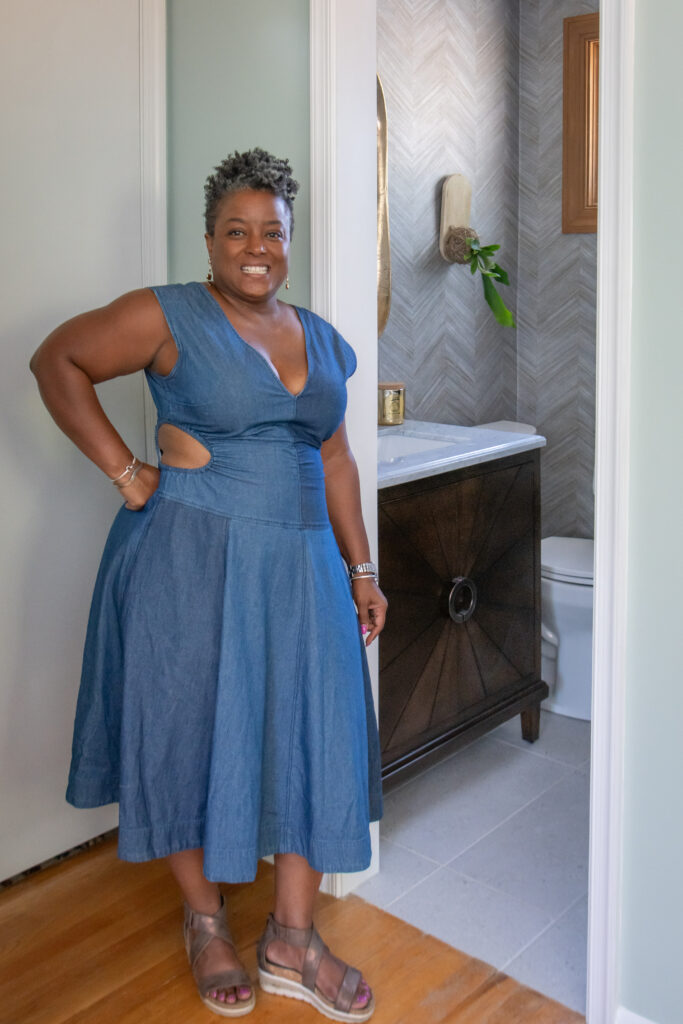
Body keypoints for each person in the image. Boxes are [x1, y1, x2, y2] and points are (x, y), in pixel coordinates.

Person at [30, 148, 386, 1021]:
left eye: (272, 232)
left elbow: (333, 454)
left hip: (303, 569)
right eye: (238, 231)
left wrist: (362, 567)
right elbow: (56, 361)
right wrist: (125, 469)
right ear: (210, 240)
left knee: (316, 731)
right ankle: (204, 920)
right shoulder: (169, 313)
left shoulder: (323, 336)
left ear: (289, 240)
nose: (255, 247)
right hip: (190, 558)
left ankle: (292, 941)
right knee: (184, 726)